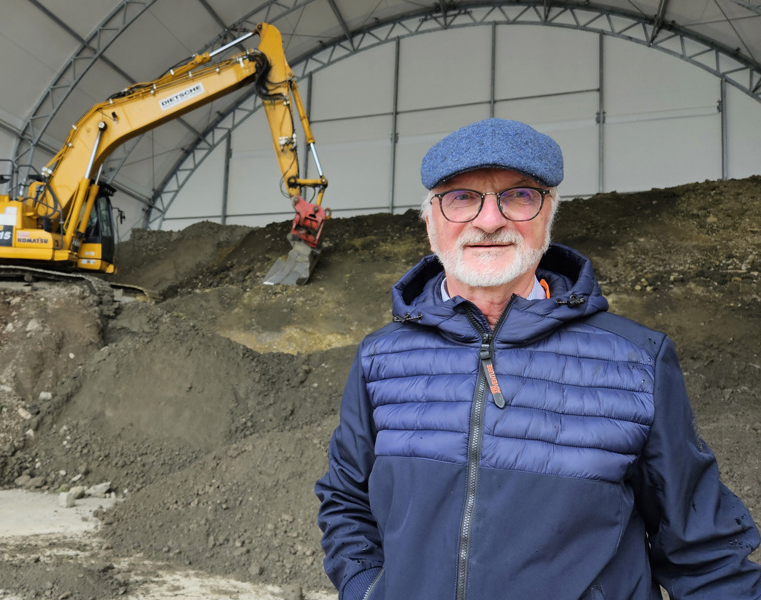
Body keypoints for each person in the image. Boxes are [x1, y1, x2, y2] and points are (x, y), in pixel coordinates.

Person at [314, 118, 761, 600]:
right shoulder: (382, 356)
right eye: (462, 197)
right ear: (430, 224)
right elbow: (346, 501)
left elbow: (703, 551)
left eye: (519, 196)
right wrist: (367, 589)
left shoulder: (636, 361)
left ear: (548, 217)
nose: (489, 221)